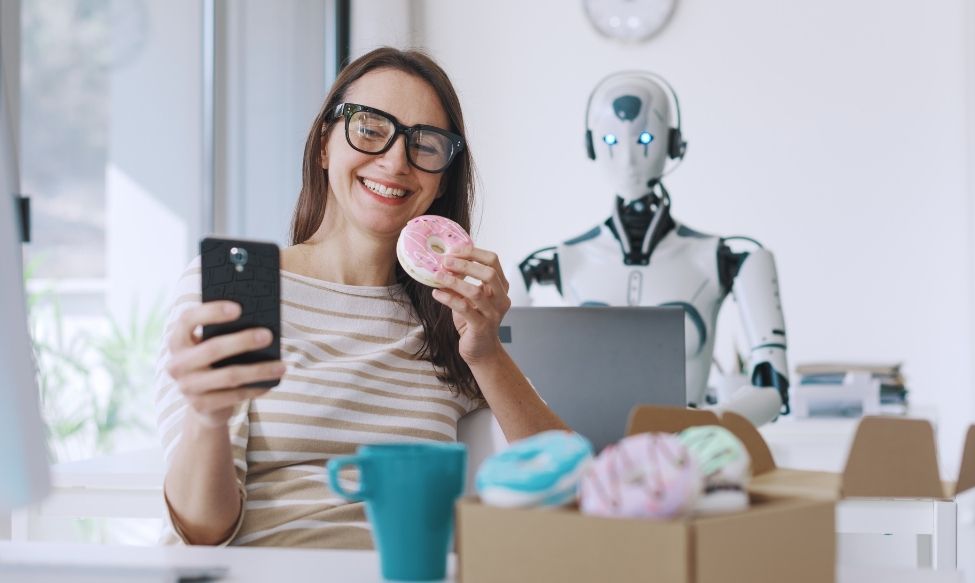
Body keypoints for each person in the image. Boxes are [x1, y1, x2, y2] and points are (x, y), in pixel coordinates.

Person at [154, 47, 567, 549]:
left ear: (440, 183)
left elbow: (571, 486)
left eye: (426, 144)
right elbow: (203, 529)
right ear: (325, 145)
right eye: (371, 129)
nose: (396, 162)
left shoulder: (451, 318)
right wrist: (207, 416)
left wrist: (487, 354)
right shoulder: (240, 287)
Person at [510, 71, 790, 426]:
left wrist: (709, 423)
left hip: (689, 450)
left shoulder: (727, 260)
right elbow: (497, 369)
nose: (627, 158)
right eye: (611, 139)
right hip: (587, 453)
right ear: (592, 145)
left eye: (645, 138)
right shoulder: (558, 262)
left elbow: (772, 385)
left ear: (673, 143)